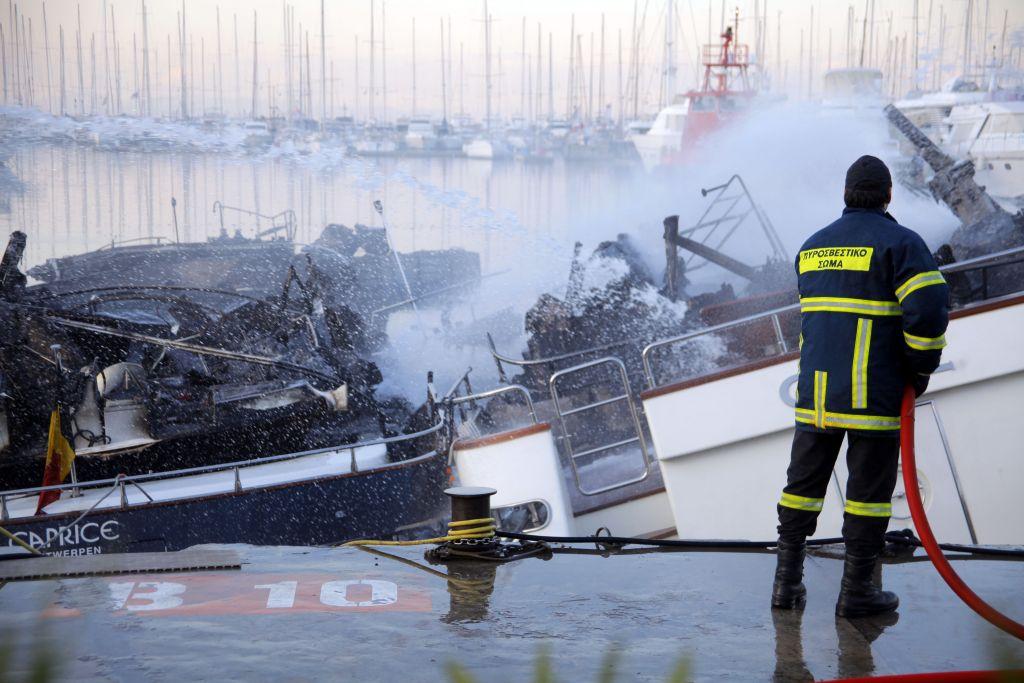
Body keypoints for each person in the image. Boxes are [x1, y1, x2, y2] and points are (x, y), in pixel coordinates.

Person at [771, 155, 949, 617]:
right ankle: (857, 594)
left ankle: (785, 586)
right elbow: (928, 312)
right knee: (868, 496)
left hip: (816, 395)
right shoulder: (902, 245)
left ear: (846, 195)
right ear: (888, 195)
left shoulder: (812, 248)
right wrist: (920, 367)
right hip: (872, 393)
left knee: (800, 488)